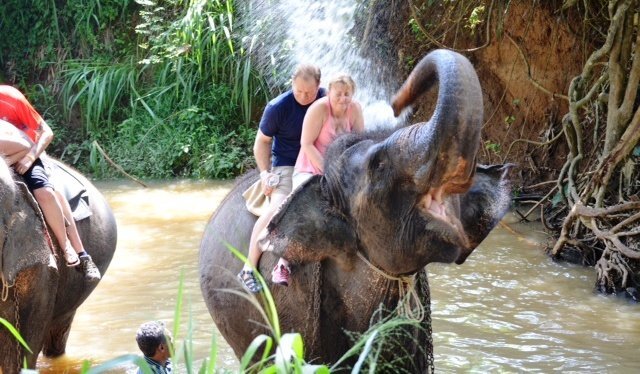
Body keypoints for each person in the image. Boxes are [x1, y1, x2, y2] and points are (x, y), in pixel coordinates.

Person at [237, 64, 325, 293]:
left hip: (318, 163)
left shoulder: (325, 100)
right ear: (292, 85)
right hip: (286, 166)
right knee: (278, 208)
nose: (305, 97)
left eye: (310, 92)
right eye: (299, 92)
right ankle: (248, 267)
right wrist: (265, 173)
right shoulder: (278, 107)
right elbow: (262, 142)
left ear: (319, 86)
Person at [0, 85, 101, 282]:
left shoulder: (9, 97)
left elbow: (46, 132)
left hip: (27, 154)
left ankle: (75, 251)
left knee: (45, 192)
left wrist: (29, 158)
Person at [271, 73, 365, 286]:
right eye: (338, 94)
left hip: (342, 170)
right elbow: (306, 144)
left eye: (347, 94)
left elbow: (361, 143)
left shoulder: (355, 109)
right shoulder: (319, 109)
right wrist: (327, 171)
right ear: (329, 93)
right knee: (303, 207)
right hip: (312, 167)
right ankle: (282, 263)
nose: (343, 98)